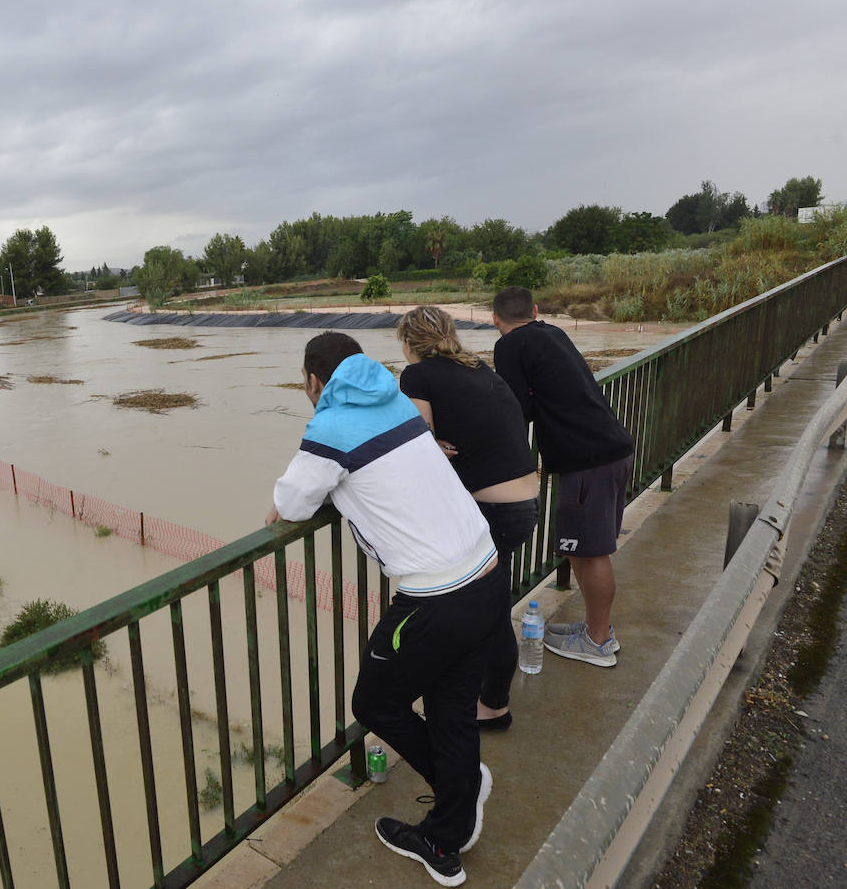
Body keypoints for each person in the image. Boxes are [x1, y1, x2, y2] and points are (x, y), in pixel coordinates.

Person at [268, 331, 504, 886]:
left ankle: (459, 798)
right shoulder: (396, 399)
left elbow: (290, 503)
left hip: (434, 600)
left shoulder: (328, 428)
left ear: (313, 381)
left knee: (375, 701)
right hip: (488, 573)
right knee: (449, 706)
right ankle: (450, 824)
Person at [397, 306, 539, 731]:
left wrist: (426, 443)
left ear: (409, 342)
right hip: (524, 500)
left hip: (492, 510)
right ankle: (481, 692)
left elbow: (416, 437)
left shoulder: (418, 375)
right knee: (490, 604)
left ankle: (493, 706)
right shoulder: (477, 366)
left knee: (490, 612)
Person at [492, 286, 635, 668]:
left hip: (587, 461)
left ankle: (599, 641)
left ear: (495, 319)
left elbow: (516, 408)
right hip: (609, 452)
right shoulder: (553, 333)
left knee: (592, 551)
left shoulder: (509, 347)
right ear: (535, 310)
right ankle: (593, 629)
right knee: (578, 548)